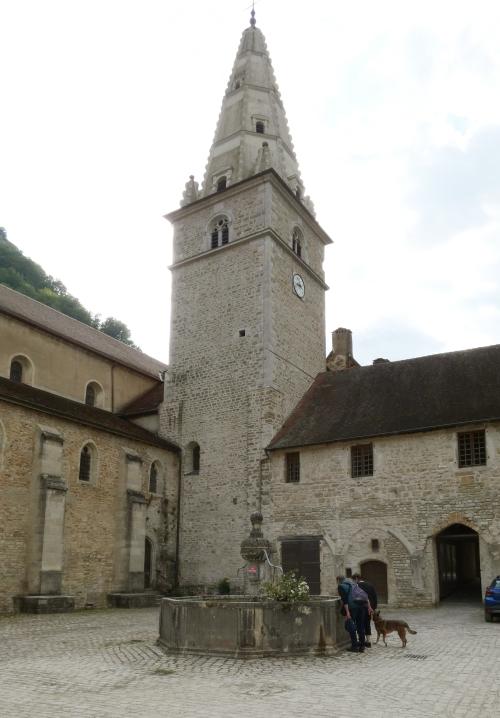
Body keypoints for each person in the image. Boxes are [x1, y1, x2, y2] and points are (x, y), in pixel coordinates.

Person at [352, 572, 378, 648]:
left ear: (356, 578)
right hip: (369, 609)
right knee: (367, 623)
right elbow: (375, 597)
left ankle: (362, 641)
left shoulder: (357, 586)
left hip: (361, 607)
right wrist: (373, 608)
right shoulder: (370, 585)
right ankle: (368, 641)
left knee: (360, 624)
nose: (353, 581)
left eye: (353, 580)